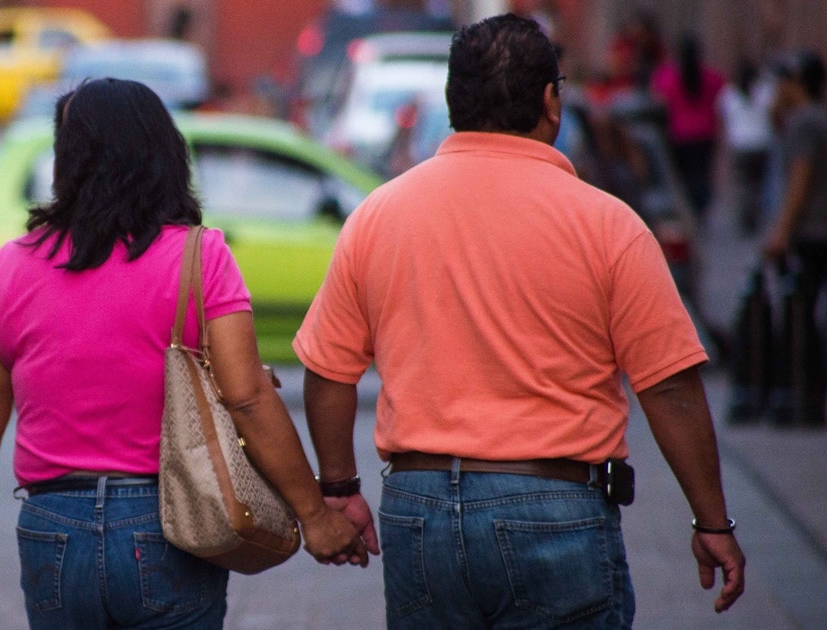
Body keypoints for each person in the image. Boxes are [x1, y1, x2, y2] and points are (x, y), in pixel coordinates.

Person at [293, 14, 745, 628]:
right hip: (556, 504)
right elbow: (668, 385)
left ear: (455, 102)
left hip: (417, 508)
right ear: (549, 101)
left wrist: (340, 488)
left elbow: (326, 370)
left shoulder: (380, 215)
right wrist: (712, 520)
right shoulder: (607, 224)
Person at [0, 78, 367, 628]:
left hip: (51, 523)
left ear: (65, 161)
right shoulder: (200, 257)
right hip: (168, 521)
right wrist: (315, 515)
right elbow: (248, 397)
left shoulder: (9, 268)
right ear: (164, 154)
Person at [762, 50, 827, 426]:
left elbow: (800, 177)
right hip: (817, 229)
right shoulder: (813, 118)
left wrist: (781, 230)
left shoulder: (804, 123)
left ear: (796, 83)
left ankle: (803, 394)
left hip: (809, 231)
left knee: (800, 314)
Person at [650, 32, 726, 223]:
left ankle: (690, 212)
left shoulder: (668, 76)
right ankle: (700, 210)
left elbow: (657, 98)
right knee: (702, 175)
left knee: (684, 178)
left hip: (679, 135)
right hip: (706, 134)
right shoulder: (711, 77)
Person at [717, 57, 775, 235]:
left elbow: (723, 118)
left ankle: (746, 215)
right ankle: (755, 214)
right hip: (761, 143)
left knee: (743, 184)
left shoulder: (729, 94)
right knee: (758, 183)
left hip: (740, 144)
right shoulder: (764, 91)